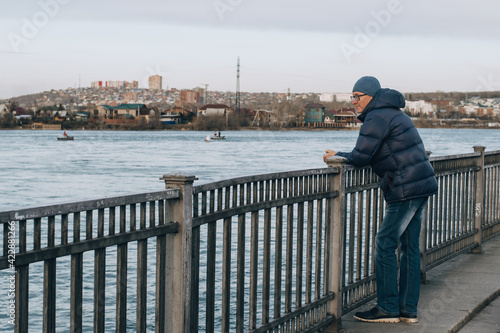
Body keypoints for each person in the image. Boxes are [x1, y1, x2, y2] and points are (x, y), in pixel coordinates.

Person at [323, 76, 438, 324]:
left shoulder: (377, 117)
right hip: (420, 184)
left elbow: (362, 155)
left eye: (358, 96)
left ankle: (387, 308)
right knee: (409, 247)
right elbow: (372, 151)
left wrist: (337, 155)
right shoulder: (394, 114)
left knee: (385, 243)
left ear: (371, 97)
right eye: (351, 96)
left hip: (405, 188)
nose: (353, 101)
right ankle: (408, 310)